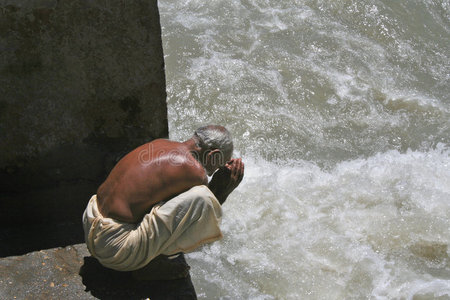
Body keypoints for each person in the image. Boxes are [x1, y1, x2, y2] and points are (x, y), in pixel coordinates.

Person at [82, 125, 244, 274]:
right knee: (203, 197)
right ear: (213, 155)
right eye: (217, 165)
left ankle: (146, 255)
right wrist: (221, 192)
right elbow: (198, 220)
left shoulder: (162, 143)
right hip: (115, 251)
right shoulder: (195, 172)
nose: (212, 173)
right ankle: (148, 267)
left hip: (90, 220)